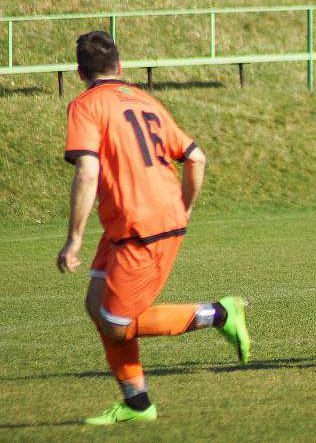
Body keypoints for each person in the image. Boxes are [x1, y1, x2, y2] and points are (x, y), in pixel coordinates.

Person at [56, 31, 250, 425]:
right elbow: (196, 158)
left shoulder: (85, 105)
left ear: (79, 72)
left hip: (142, 226)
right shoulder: (146, 100)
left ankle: (219, 314)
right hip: (129, 223)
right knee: (97, 308)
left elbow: (88, 169)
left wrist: (74, 238)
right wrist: (186, 207)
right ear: (120, 66)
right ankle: (136, 403)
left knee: (116, 323)